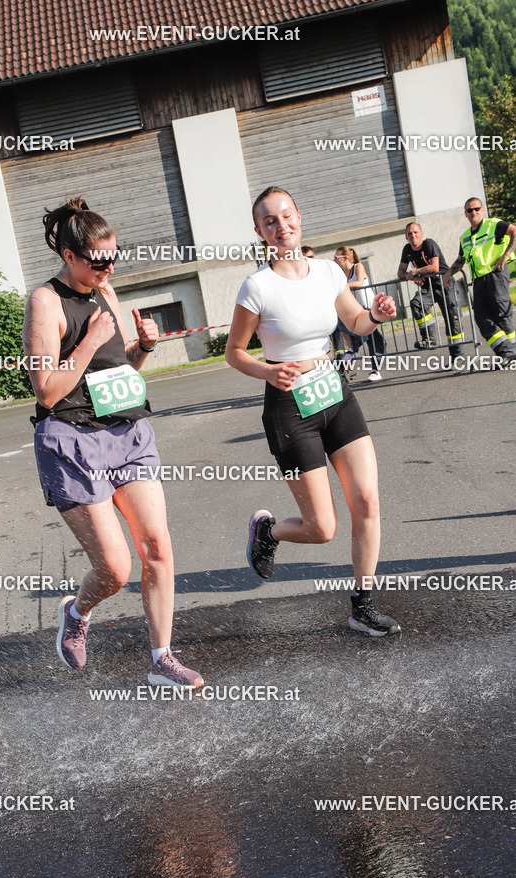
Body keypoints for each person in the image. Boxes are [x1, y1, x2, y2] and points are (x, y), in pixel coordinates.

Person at [22, 196, 203, 688]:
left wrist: (142, 346)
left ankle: (161, 660)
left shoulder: (108, 292)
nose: (107, 268)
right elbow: (47, 388)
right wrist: (86, 340)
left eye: (113, 258)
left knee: (158, 550)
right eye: (96, 261)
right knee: (116, 569)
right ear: (68, 256)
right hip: (72, 441)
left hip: (127, 431)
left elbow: (118, 367)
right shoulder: (46, 301)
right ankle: (77, 614)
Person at [225, 187, 401, 637]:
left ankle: (362, 606)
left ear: (299, 217)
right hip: (289, 407)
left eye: (286, 216)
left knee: (367, 500)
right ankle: (269, 531)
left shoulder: (327, 271)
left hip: (333, 391)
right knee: (322, 528)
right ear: (260, 232)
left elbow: (356, 322)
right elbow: (235, 353)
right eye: (269, 221)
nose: (281, 226)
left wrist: (376, 315)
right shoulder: (257, 286)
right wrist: (268, 371)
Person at [443, 198, 516, 360]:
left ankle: (511, 351)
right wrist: (448, 274)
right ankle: (507, 352)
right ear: (465, 214)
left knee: (500, 314)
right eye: (470, 210)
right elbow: (461, 260)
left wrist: (505, 256)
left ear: (482, 210)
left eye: (476, 209)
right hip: (479, 281)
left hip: (496, 275)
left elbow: (515, 232)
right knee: (482, 317)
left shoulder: (494, 224)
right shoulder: (465, 237)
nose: (473, 212)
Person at [397, 222, 463, 359]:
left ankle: (458, 358)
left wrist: (415, 272)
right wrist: (412, 276)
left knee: (453, 322)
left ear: (421, 233)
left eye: (415, 232)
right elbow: (400, 272)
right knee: (417, 303)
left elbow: (434, 267)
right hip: (428, 287)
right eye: (409, 233)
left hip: (444, 284)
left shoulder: (429, 244)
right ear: (406, 236)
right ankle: (430, 339)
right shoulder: (407, 249)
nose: (413, 235)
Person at [333, 246, 386, 383]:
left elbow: (359, 282)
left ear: (345, 258)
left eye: (336, 258)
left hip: (369, 308)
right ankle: (351, 354)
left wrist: (341, 287)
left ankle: (370, 367)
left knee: (374, 340)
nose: (334, 260)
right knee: (365, 338)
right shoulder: (342, 274)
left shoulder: (358, 267)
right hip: (357, 310)